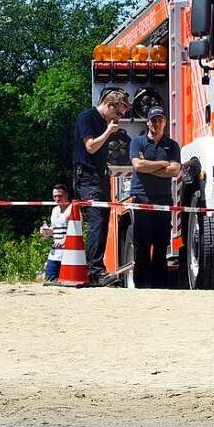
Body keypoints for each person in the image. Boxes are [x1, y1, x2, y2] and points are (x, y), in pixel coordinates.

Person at [74, 88, 129, 285]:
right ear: (109, 105)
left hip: (100, 176)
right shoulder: (87, 117)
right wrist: (108, 131)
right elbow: (90, 146)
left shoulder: (105, 121)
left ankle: (97, 270)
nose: (119, 118)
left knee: (103, 221)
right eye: (118, 113)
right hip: (88, 178)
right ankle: (95, 270)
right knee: (97, 222)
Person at [129, 106, 181, 288]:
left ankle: (160, 284)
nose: (157, 123)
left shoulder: (172, 145)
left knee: (161, 242)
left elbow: (174, 170)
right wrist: (162, 164)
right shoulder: (137, 142)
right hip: (141, 197)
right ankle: (142, 283)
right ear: (148, 122)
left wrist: (149, 168)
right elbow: (138, 166)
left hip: (163, 198)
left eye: (160, 120)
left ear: (165, 122)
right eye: (153, 120)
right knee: (142, 243)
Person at [39, 184, 72, 285]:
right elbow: (53, 227)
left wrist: (64, 240)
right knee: (49, 279)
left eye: (60, 196)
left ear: (66, 195)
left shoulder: (72, 209)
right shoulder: (54, 210)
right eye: (55, 196)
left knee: (67, 280)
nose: (57, 198)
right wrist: (46, 231)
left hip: (68, 251)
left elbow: (75, 229)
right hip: (55, 250)